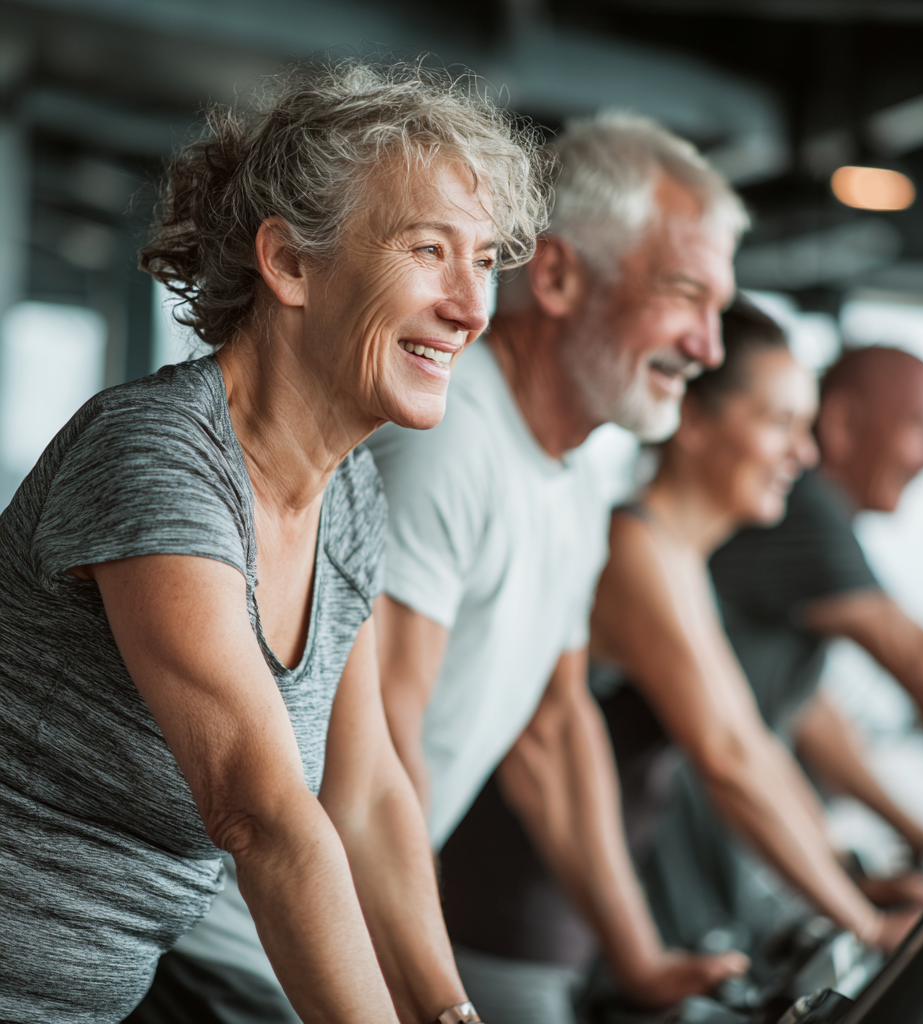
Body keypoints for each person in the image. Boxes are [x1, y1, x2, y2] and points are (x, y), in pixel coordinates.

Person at [163, 113, 751, 1024]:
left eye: (481, 260)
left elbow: (549, 728)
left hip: (333, 943)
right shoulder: (444, 439)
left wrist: (630, 961)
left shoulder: (557, 471)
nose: (710, 349)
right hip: (248, 951)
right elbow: (332, 781)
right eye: (684, 294)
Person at [0, 59, 549, 1024]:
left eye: (487, 259)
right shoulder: (160, 455)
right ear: (290, 263)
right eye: (429, 250)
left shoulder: (349, 497)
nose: (472, 307)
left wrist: (450, 1013)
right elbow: (258, 814)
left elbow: (368, 791)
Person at [440, 302, 923, 1024]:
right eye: (779, 423)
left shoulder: (678, 557)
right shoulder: (636, 549)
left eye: (806, 427)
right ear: (693, 421)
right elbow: (729, 758)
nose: (805, 454)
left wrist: (855, 881)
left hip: (567, 935)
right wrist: (864, 925)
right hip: (511, 931)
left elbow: (758, 749)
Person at [646, 343, 923, 951]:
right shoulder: (798, 506)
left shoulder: (798, 528)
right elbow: (919, 662)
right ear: (844, 423)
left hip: (696, 856)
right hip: (659, 857)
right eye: (920, 429)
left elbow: (813, 717)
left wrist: (919, 838)